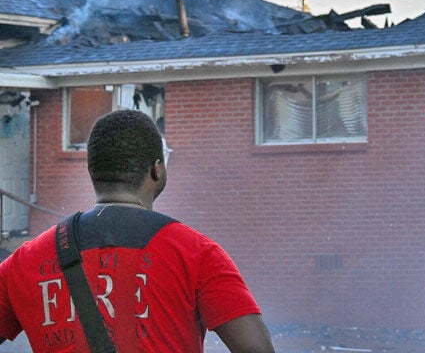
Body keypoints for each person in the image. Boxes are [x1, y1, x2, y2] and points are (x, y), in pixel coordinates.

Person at [0, 109, 274, 353]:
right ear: (157, 170)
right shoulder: (197, 254)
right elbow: (255, 347)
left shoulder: (24, 262)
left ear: (93, 172)